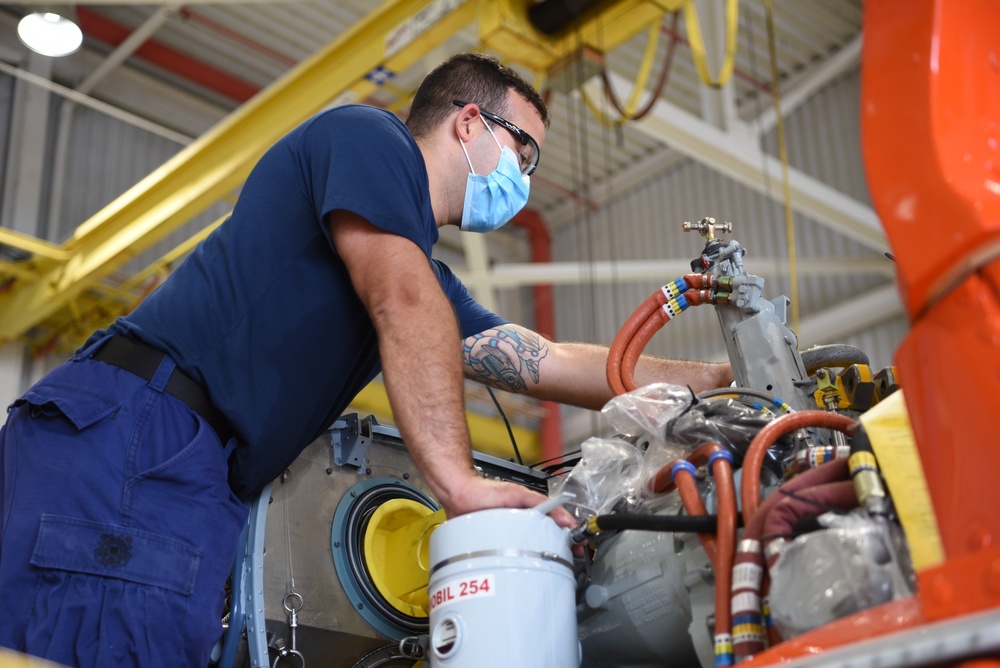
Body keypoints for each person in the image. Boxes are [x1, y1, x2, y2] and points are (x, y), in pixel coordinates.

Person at [0, 52, 731, 665]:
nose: (526, 180)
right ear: (469, 122)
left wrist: (721, 383)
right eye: (525, 152)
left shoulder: (416, 266)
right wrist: (458, 483)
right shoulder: (370, 140)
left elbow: (538, 360)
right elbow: (404, 305)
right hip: (140, 438)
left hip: (187, 474)